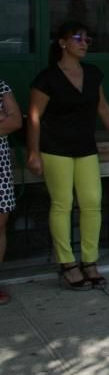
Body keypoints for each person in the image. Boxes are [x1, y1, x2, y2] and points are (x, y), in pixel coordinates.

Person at [27, 21, 109, 290]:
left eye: (88, 39)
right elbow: (34, 117)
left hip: (86, 147)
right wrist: (33, 152)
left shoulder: (93, 73)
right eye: (78, 38)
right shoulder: (47, 77)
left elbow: (103, 107)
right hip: (55, 148)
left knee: (91, 202)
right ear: (63, 43)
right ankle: (67, 263)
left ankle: (90, 261)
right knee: (62, 204)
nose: (84, 43)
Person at [0, 78, 23, 304]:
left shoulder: (1, 85)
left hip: (0, 167)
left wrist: (7, 119)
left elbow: (15, 121)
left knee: (0, 222)